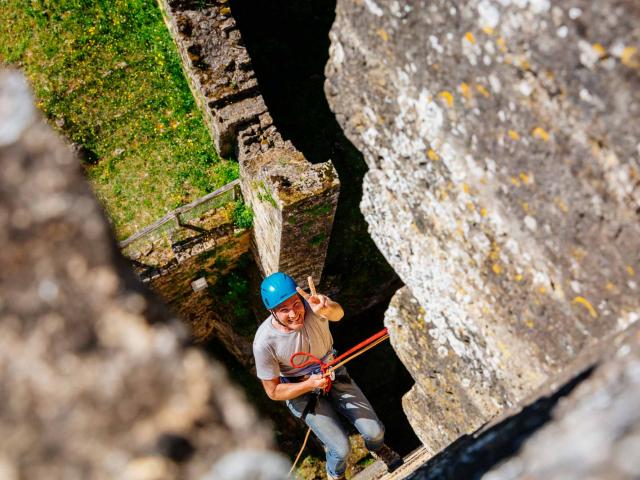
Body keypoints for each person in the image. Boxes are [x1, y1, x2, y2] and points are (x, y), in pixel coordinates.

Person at [252, 272, 403, 480]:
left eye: (295, 304)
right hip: (300, 391)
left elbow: (338, 314)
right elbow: (273, 391)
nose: (294, 314)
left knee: (374, 431)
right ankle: (336, 475)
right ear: (272, 313)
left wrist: (327, 308)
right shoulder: (264, 343)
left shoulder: (313, 305)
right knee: (340, 449)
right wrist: (309, 384)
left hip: (332, 369)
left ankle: (378, 448)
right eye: (283, 310)